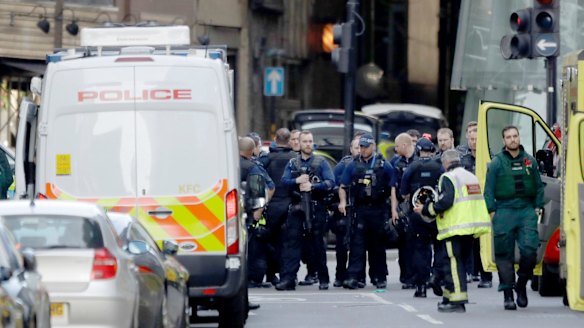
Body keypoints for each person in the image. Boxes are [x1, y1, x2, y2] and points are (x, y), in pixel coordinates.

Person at [414, 149, 491, 313]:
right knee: (458, 263)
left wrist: (426, 209)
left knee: (454, 265)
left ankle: (458, 301)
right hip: (470, 228)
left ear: (445, 163)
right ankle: (448, 297)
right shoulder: (470, 176)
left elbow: (445, 202)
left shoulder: (448, 177)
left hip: (455, 228)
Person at [483, 126, 545, 310]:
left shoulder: (530, 161)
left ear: (519, 137)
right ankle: (508, 293)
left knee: (530, 250)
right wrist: (493, 213)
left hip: (526, 210)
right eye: (508, 137)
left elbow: (539, 187)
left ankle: (521, 285)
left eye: (515, 136)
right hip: (504, 210)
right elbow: (488, 191)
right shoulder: (496, 163)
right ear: (504, 141)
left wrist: (537, 207)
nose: (512, 139)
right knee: (504, 254)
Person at [276, 131, 335, 291]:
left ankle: (323, 278)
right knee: (292, 244)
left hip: (317, 208)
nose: (308, 144)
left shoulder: (321, 162)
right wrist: (297, 180)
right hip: (297, 208)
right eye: (305, 141)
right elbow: (284, 181)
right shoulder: (293, 163)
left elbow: (331, 183)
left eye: (310, 141)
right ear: (299, 144)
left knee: (317, 244)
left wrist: (313, 186)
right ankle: (288, 279)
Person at [338, 134, 394, 289]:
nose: (363, 149)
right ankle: (354, 277)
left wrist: (394, 210)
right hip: (360, 209)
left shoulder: (383, 165)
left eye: (366, 146)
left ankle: (379, 277)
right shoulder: (353, 165)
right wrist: (343, 202)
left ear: (373, 146)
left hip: (378, 208)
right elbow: (343, 185)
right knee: (357, 245)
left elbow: (394, 187)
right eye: (361, 146)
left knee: (377, 246)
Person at [400, 138, 444, 298]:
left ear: (418, 150)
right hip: (436, 213)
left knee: (420, 249)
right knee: (440, 246)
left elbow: (403, 193)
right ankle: (436, 276)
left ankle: (421, 287)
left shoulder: (411, 167)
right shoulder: (439, 167)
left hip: (417, 214)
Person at [239, 137, 276, 309]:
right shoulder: (253, 167)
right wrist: (258, 211)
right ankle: (243, 299)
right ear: (252, 150)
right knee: (245, 255)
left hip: (223, 218)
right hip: (245, 216)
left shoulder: (225, 164)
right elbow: (268, 188)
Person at [457, 121, 492, 288]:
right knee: (467, 241)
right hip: (467, 206)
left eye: (476, 138)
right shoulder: (463, 159)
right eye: (470, 139)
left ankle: (486, 277)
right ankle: (469, 272)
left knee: (483, 242)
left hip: (484, 206)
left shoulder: (489, 157)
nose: (473, 142)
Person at [261, 128, 297, 286]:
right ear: (289, 140)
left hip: (270, 206)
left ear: (275, 138)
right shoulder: (295, 158)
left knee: (269, 242)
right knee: (287, 243)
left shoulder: (267, 158)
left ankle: (270, 274)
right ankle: (286, 274)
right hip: (289, 205)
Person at [331, 133, 364, 288]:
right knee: (341, 245)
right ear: (351, 149)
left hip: (361, 209)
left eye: (361, 147)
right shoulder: (342, 166)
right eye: (356, 147)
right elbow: (335, 187)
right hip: (344, 210)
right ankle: (340, 275)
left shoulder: (369, 164)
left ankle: (357, 276)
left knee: (359, 246)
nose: (359, 150)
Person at [390, 133, 416, 289]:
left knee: (416, 244)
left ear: (404, 145)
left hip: (417, 206)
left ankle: (416, 276)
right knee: (403, 245)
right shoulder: (396, 163)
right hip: (402, 206)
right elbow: (393, 188)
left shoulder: (419, 161)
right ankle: (405, 276)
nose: (396, 148)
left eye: (397, 146)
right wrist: (394, 210)